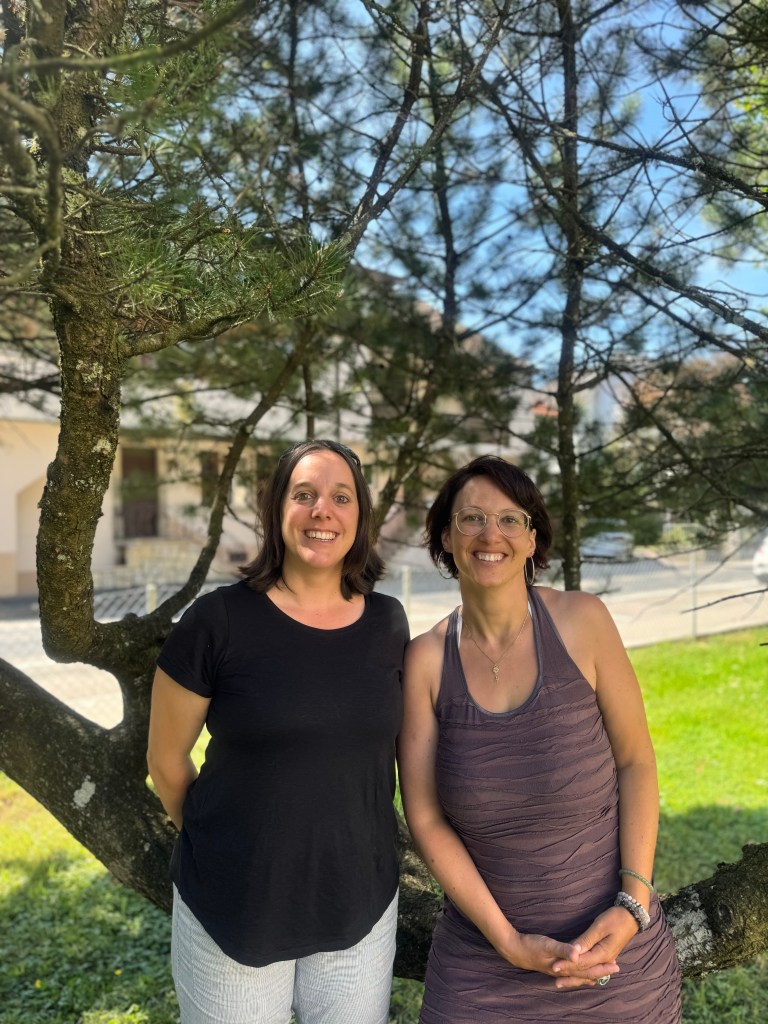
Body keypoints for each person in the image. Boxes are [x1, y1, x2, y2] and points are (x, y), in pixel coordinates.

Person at [398, 455, 681, 1023]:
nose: (491, 535)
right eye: (472, 518)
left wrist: (633, 903)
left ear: (532, 539)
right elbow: (424, 816)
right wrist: (507, 941)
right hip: (482, 966)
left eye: (510, 519)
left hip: (615, 955)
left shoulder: (583, 622)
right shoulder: (425, 661)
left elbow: (635, 761)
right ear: (446, 538)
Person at [147, 439, 409, 1024]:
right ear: (276, 511)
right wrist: (230, 849)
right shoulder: (216, 621)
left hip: (358, 905)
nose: (323, 511)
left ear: (360, 516)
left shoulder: (388, 623)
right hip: (235, 907)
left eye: (341, 497)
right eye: (304, 494)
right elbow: (165, 761)